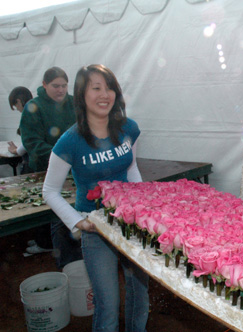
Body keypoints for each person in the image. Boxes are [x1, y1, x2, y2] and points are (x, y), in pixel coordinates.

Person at [43, 64, 149, 331]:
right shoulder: (70, 141)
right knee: (107, 304)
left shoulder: (128, 128)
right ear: (81, 94)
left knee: (140, 295)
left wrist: (143, 207)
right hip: (96, 229)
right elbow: (50, 191)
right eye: (96, 88)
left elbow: (131, 167)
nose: (105, 94)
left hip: (131, 224)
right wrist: (78, 223)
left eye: (110, 87)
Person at [20, 67, 81, 263]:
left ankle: (80, 259)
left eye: (64, 85)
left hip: (75, 170)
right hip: (45, 170)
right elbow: (32, 143)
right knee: (58, 217)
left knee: (76, 212)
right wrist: (62, 157)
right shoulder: (33, 107)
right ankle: (67, 264)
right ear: (44, 85)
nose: (60, 90)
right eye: (55, 86)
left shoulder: (74, 103)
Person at [7, 86, 34, 175]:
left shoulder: (29, 116)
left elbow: (29, 142)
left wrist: (15, 150)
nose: (18, 109)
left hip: (32, 163)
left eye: (15, 106)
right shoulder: (39, 111)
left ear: (18, 101)